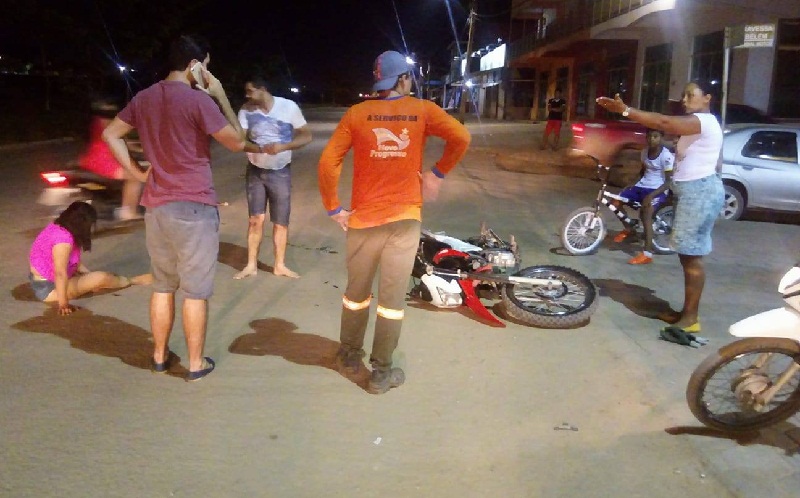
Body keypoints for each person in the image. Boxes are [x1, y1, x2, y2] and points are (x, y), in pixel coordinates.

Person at [102, 35, 260, 381]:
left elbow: (111, 134)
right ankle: (194, 363)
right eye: (207, 67)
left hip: (157, 208)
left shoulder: (144, 97)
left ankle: (159, 357)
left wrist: (136, 173)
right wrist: (219, 94)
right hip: (194, 207)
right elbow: (238, 143)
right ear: (195, 65)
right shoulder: (198, 100)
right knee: (195, 292)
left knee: (162, 285)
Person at [318, 50, 471, 394]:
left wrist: (334, 208)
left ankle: (349, 356)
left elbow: (328, 162)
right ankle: (381, 373)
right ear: (403, 79)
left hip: (362, 223)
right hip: (403, 222)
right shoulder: (423, 110)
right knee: (391, 302)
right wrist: (437, 174)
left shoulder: (357, 114)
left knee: (356, 295)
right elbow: (462, 138)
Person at [596, 81, 724, 333]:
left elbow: (663, 122)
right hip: (692, 191)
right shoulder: (699, 125)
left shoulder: (704, 121)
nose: (684, 100)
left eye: (690, 95)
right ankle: (686, 313)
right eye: (684, 95)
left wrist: (626, 111)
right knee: (687, 256)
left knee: (692, 257)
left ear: (707, 98)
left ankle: (691, 319)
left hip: (700, 193)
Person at [233, 75, 312, 280]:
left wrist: (283, 147)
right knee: (255, 220)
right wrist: (258, 148)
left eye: (250, 91)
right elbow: (239, 140)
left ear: (263, 89)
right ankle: (251, 265)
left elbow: (306, 135)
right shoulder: (246, 110)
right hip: (255, 171)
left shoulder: (288, 107)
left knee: (280, 222)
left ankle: (279, 265)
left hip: (281, 171)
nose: (247, 95)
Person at [29, 201, 134, 315]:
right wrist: (63, 304)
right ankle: (130, 281)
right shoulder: (63, 241)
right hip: (49, 288)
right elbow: (60, 273)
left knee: (95, 278)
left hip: (45, 279)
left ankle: (110, 280)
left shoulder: (58, 226)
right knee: (102, 278)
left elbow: (74, 262)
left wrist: (88, 274)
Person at [612, 128, 675, 265]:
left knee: (646, 214)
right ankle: (630, 229)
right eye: (649, 136)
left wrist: (651, 196)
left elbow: (668, 182)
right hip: (642, 186)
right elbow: (643, 171)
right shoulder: (644, 152)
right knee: (615, 202)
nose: (652, 139)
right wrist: (631, 184)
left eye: (655, 136)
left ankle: (647, 254)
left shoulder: (666, 156)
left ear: (661, 138)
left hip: (657, 189)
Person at [78, 97, 143, 220]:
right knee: (135, 177)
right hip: (104, 160)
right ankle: (128, 211)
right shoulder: (108, 123)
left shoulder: (97, 121)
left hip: (93, 157)